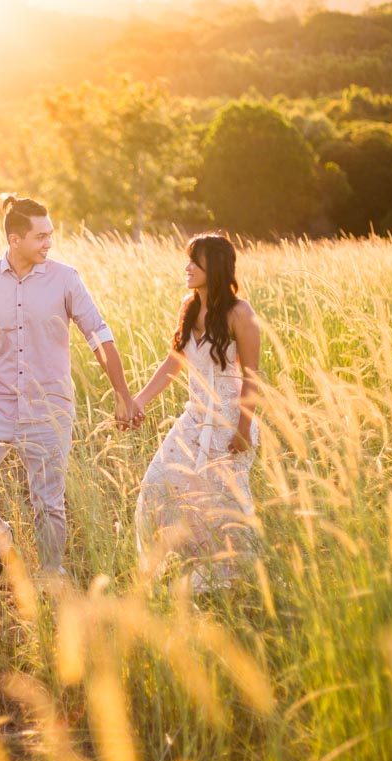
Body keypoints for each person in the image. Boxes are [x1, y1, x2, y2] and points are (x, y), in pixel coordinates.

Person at [0, 194, 141, 583]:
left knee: (47, 503)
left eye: (50, 234)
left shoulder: (65, 278)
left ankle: (52, 576)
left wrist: (122, 393)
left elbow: (98, 335)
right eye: (40, 236)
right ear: (15, 240)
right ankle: (1, 549)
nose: (49, 243)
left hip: (49, 406)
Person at [131, 233, 261, 592]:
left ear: (214, 267)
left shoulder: (240, 313)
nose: (187, 267)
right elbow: (174, 363)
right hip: (194, 417)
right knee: (157, 485)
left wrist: (243, 428)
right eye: (188, 260)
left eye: (195, 261)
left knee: (219, 503)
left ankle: (234, 576)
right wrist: (139, 401)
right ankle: (180, 567)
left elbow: (252, 376)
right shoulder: (189, 306)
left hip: (229, 420)